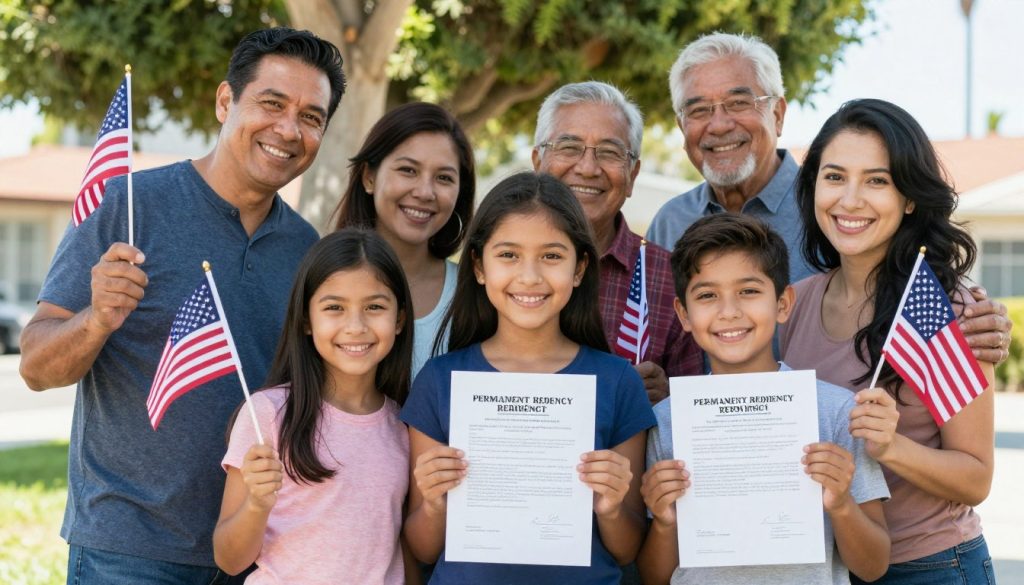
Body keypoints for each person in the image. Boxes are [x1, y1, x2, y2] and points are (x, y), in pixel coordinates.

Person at [18, 28, 345, 583]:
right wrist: (96, 320)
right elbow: (35, 367)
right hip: (128, 551)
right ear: (225, 101)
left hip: (258, 548)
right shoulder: (127, 206)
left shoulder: (306, 249)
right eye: (272, 103)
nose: (289, 129)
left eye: (311, 117)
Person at [647, 33, 1012, 362]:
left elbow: (917, 274)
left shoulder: (835, 211)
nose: (719, 124)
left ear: (778, 114)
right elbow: (659, 337)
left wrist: (975, 316)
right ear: (682, 127)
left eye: (739, 103)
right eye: (699, 110)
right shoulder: (670, 222)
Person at [400, 172, 656, 584]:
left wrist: (609, 506)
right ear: (479, 266)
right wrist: (433, 502)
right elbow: (423, 549)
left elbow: (627, 549)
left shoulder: (618, 382)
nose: (530, 276)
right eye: (509, 255)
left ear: (579, 268)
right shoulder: (440, 381)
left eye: (552, 256)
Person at [780, 99, 997, 584]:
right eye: (834, 177)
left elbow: (977, 477)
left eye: (876, 181)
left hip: (931, 566)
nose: (850, 200)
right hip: (831, 566)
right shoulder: (796, 302)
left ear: (910, 198)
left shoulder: (947, 311)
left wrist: (891, 446)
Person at [638, 213, 891, 585]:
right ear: (684, 314)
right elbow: (653, 577)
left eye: (749, 291)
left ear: (783, 303)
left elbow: (873, 566)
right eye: (707, 295)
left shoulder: (835, 411)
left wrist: (840, 504)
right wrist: (664, 521)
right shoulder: (667, 421)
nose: (729, 312)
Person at [214, 228, 414, 584]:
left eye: (375, 307)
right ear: (306, 319)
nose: (355, 326)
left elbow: (402, 552)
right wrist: (257, 505)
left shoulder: (406, 425)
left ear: (399, 319)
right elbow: (228, 559)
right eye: (334, 308)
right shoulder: (267, 414)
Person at [533, 81, 702, 403]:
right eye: (569, 147)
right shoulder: (499, 266)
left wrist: (667, 402)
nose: (587, 168)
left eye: (610, 152)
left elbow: (693, 413)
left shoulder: (671, 279)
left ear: (632, 175)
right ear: (537, 162)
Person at [332, 102, 475, 377]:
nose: (425, 192)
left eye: (444, 178)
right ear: (369, 177)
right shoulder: (321, 280)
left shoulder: (475, 295)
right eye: (408, 170)